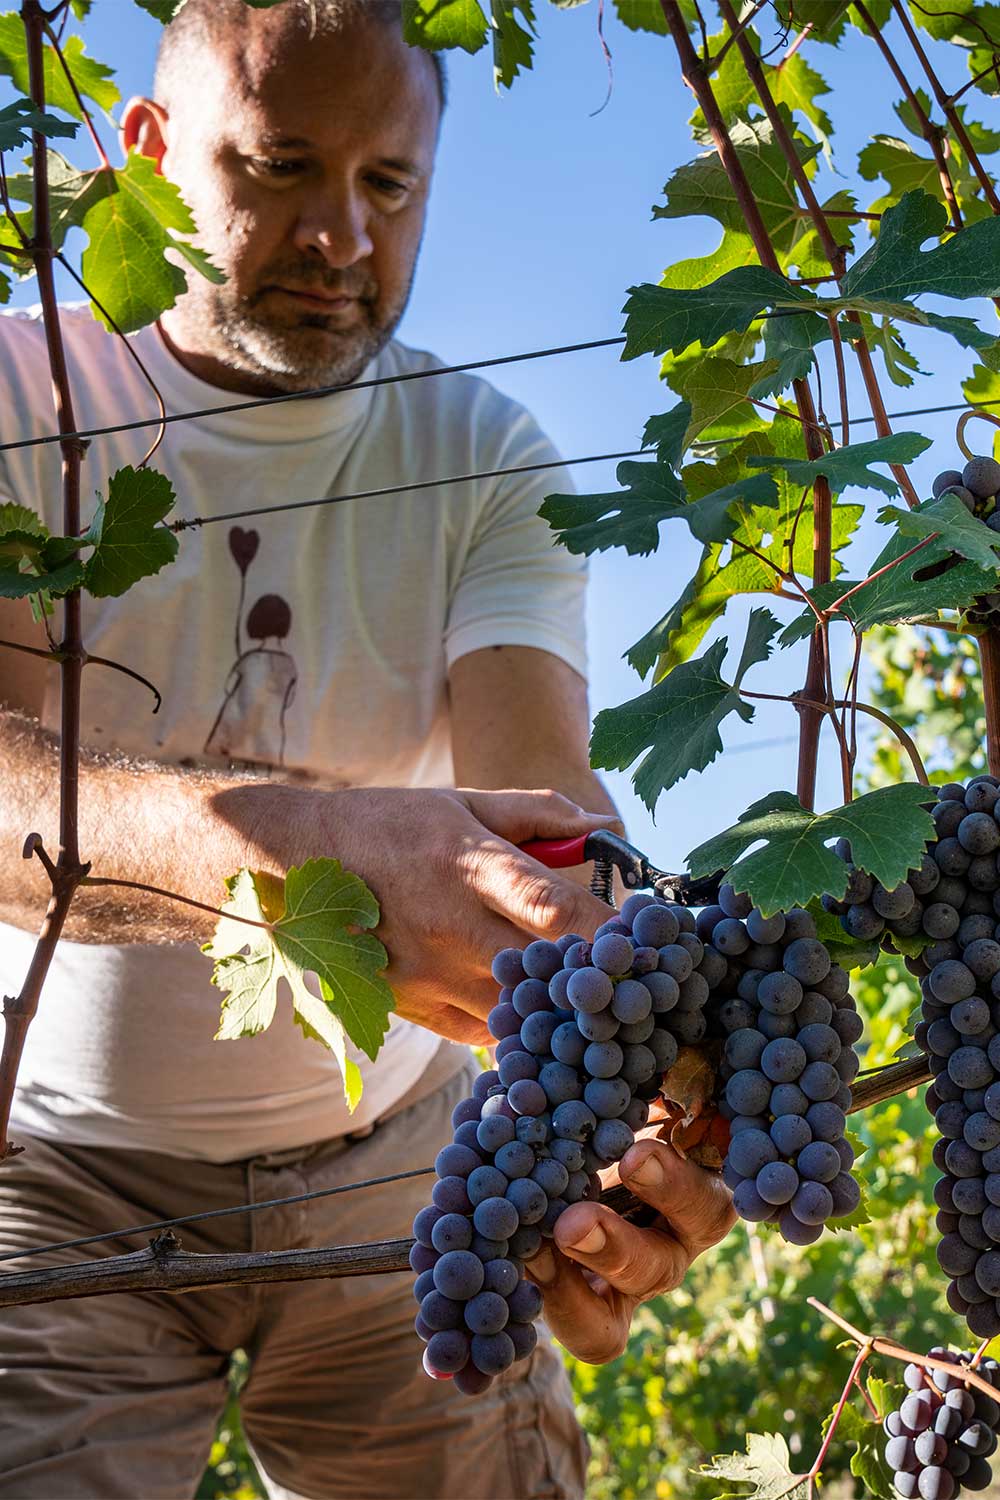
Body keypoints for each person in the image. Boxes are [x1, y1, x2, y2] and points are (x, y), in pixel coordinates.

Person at [0, 3, 735, 1496]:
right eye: (280, 166)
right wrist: (310, 867)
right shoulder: (23, 404)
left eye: (388, 183)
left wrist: (632, 1073)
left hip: (406, 1172)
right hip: (53, 1176)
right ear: (146, 153)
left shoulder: (490, 457)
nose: (340, 235)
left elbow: (548, 811)